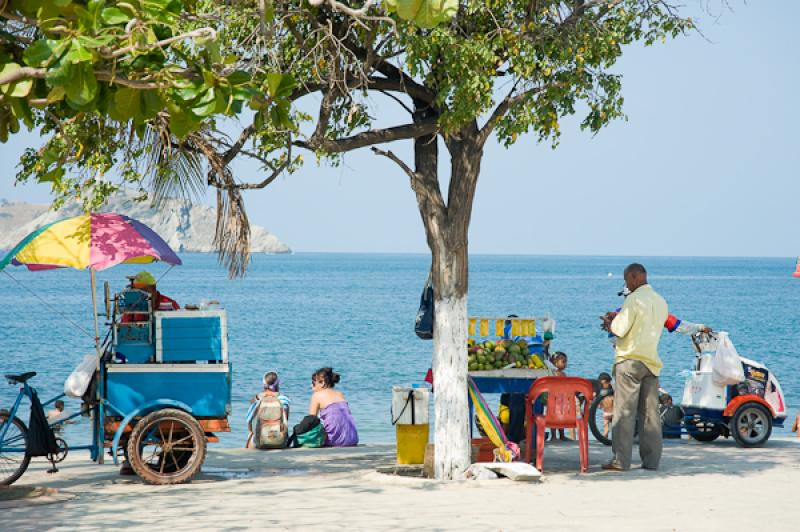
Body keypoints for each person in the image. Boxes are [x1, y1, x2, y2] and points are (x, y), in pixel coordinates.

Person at [600, 263, 668, 472]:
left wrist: (609, 323)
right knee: (650, 415)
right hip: (651, 362)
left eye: (627, 280)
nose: (627, 284)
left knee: (624, 413)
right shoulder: (660, 301)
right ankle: (651, 461)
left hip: (629, 360)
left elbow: (620, 330)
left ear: (635, 277)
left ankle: (621, 461)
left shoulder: (633, 299)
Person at [308, 367, 358, 447]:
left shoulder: (316, 396)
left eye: (313, 383)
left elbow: (310, 421)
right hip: (353, 438)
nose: (311, 386)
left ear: (322, 383)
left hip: (335, 441)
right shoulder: (340, 394)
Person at [246, 371, 291, 449]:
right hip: (281, 441)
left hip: (260, 441)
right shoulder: (284, 400)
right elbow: (285, 420)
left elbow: (249, 422)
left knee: (251, 435)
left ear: (264, 385)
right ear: (278, 384)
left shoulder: (257, 399)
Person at [597, 372, 614, 437]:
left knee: (609, 429)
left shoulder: (602, 392)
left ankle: (606, 439)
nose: (603, 385)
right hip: (608, 413)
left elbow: (599, 405)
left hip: (610, 413)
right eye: (602, 384)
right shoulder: (612, 390)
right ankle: (606, 439)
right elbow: (599, 405)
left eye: (604, 383)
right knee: (607, 429)